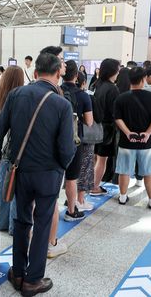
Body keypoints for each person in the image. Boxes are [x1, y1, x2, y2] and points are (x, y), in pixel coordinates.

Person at [0, 51, 75, 296]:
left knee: (21, 220)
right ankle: (33, 280)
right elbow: (67, 149)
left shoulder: (16, 95)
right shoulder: (62, 104)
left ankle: (17, 273)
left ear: (36, 72)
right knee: (42, 223)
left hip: (20, 171)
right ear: (58, 73)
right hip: (48, 174)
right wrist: (59, 167)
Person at [113, 67, 151, 209]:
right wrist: (147, 133)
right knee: (148, 172)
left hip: (126, 142)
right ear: (143, 79)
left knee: (124, 170)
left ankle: (122, 197)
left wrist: (128, 133)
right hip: (147, 143)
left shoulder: (121, 98)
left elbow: (118, 118)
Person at [61, 61, 94, 224]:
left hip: (53, 140)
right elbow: (89, 121)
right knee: (72, 177)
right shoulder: (83, 95)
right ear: (76, 76)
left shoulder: (56, 91)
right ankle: (71, 210)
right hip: (74, 140)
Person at [0, 66, 25, 235]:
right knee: (16, 191)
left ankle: (1, 223)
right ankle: (14, 227)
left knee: (3, 189)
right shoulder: (22, 99)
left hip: (4, 151)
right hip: (17, 151)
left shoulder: (1, 97)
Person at [92, 58, 120, 195]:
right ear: (113, 71)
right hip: (107, 128)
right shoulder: (112, 89)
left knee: (96, 158)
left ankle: (90, 183)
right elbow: (115, 112)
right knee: (102, 159)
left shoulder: (98, 85)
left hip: (96, 126)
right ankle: (95, 187)